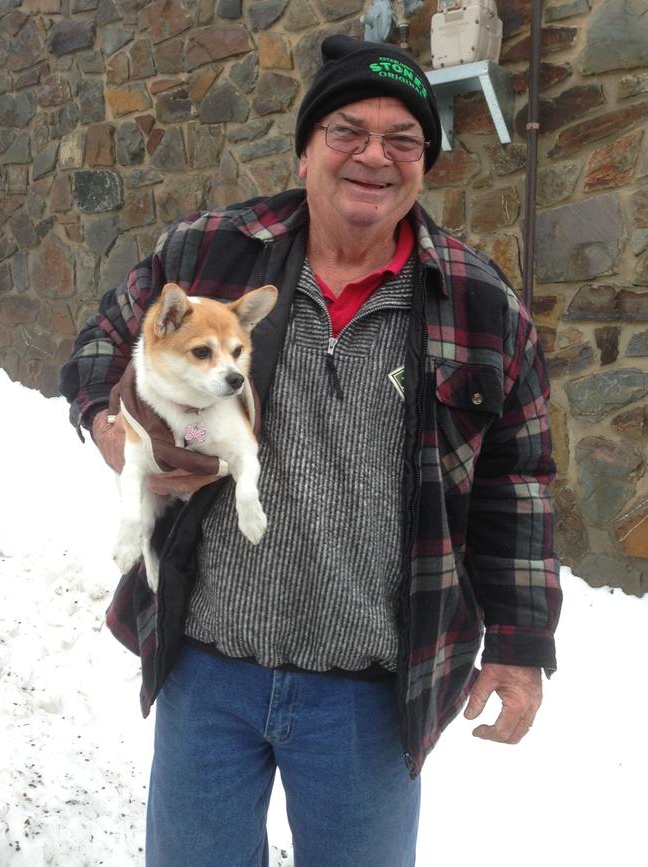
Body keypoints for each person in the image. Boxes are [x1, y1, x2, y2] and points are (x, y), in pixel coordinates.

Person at [61, 35, 562, 867]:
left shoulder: (480, 301)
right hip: (207, 669)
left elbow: (520, 483)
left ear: (424, 166)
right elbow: (99, 341)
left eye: (403, 139)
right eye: (347, 131)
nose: (375, 154)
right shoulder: (211, 251)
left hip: (370, 689)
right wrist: (118, 434)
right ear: (304, 152)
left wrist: (519, 643)